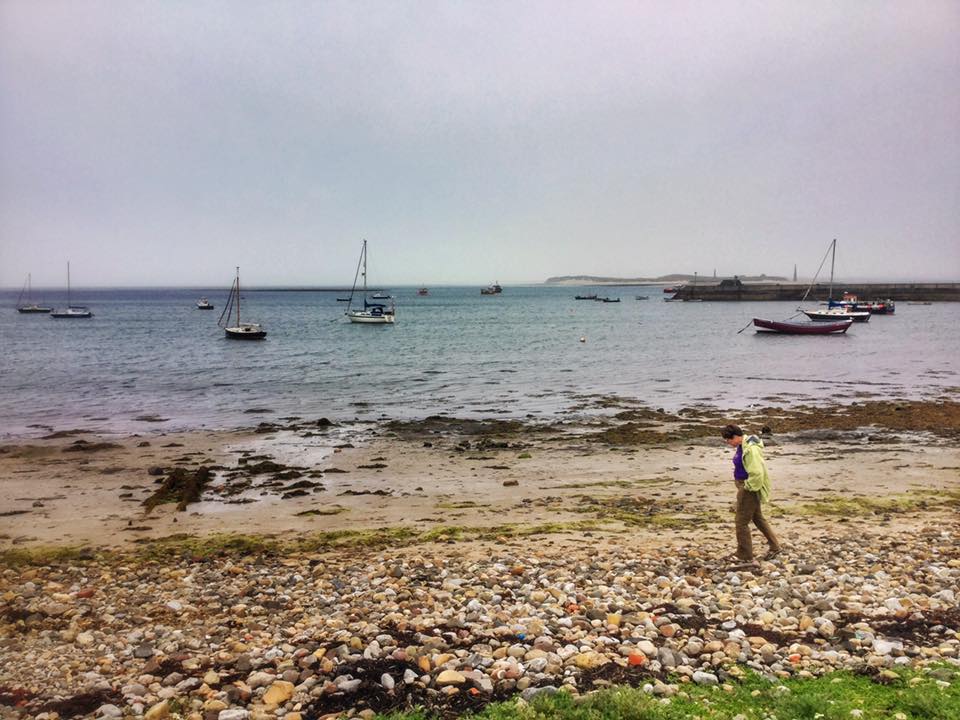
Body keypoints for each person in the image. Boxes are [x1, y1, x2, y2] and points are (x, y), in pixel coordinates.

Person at [721, 424, 781, 563]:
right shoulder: (744, 445)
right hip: (747, 485)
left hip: (749, 488)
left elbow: (756, 473)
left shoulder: (751, 449)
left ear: (735, 437)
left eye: (728, 440)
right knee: (758, 518)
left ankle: (744, 554)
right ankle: (775, 546)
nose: (727, 443)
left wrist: (747, 487)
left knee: (741, 522)